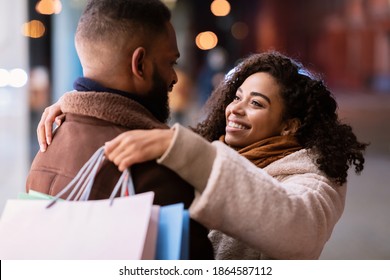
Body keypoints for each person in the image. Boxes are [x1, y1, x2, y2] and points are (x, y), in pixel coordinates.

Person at [38, 51, 368, 259]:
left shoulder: (313, 176)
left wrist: (187, 151)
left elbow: (299, 230)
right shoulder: (215, 149)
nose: (235, 109)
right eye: (236, 97)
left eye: (255, 103)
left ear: (288, 126)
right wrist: (78, 106)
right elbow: (142, 126)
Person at [26, 0, 213, 260]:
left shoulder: (46, 147)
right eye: (171, 62)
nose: (174, 78)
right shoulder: (158, 167)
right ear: (140, 64)